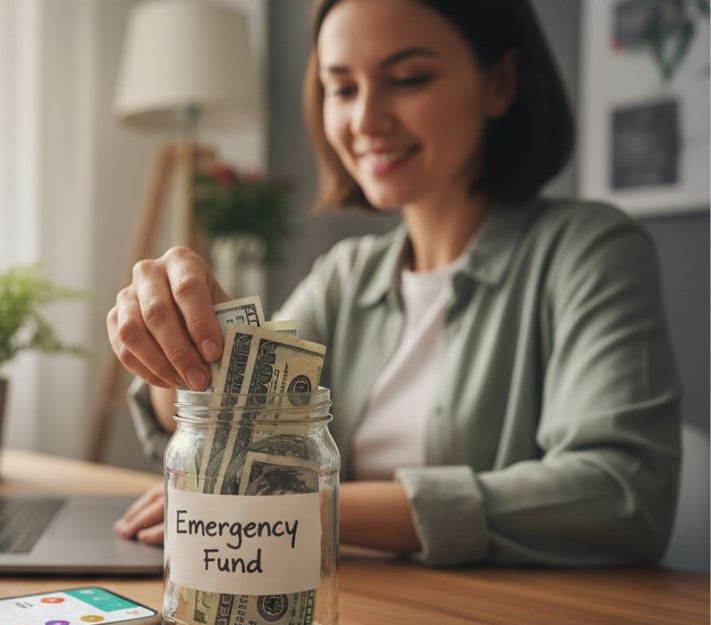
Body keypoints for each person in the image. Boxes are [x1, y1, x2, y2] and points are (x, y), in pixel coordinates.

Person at [106, 0, 681, 566]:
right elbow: (242, 431)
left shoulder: (590, 252)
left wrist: (318, 506)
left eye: (408, 79)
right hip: (364, 615)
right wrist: (180, 340)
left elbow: (619, 493)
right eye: (342, 88)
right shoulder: (345, 276)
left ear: (500, 83)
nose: (364, 121)